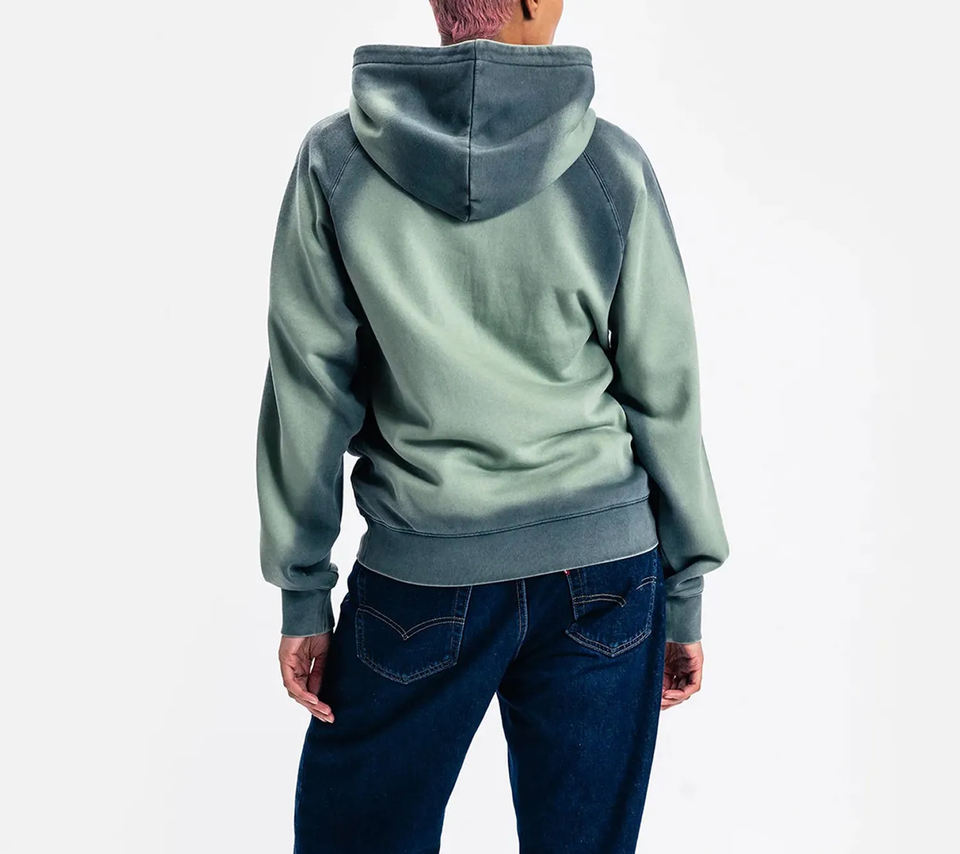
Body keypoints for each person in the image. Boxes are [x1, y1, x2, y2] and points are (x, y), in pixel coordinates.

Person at [255, 1, 729, 851]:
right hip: (606, 571)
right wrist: (685, 589)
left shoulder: (338, 162)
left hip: (421, 569)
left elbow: (309, 390)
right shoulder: (609, 166)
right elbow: (665, 389)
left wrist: (303, 590)